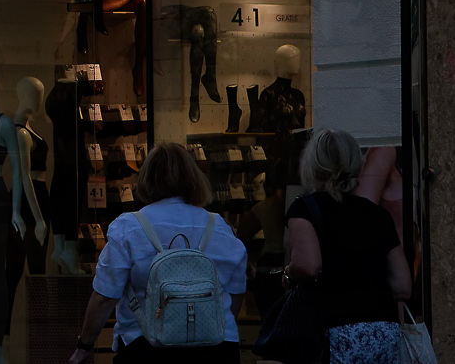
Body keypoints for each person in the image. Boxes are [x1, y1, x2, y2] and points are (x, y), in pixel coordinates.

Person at [77, 144, 245, 364]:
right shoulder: (219, 227)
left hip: (146, 347)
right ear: (194, 178)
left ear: (147, 179)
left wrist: (85, 346)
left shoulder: (129, 228)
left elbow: (104, 298)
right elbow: (236, 293)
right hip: (217, 347)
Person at [273, 133, 407, 364]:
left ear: (312, 165)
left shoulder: (304, 209)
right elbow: (402, 286)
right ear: (356, 164)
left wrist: (287, 274)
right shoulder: (377, 214)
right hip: (384, 333)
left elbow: (308, 265)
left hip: (334, 332)